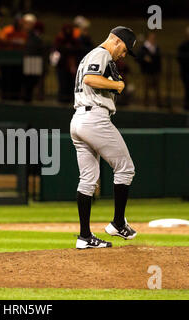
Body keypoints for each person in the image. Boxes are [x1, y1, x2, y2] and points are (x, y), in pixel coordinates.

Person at [70, 26, 138, 249]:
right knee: (125, 168)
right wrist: (116, 85)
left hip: (79, 119)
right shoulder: (101, 53)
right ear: (117, 41)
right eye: (125, 50)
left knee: (88, 179)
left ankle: (84, 237)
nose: (124, 55)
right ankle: (118, 223)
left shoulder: (90, 56)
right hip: (94, 119)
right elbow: (90, 79)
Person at [54, 24, 82, 103]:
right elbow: (58, 50)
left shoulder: (75, 41)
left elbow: (77, 50)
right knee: (62, 83)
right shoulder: (59, 40)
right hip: (62, 65)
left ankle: (70, 98)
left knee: (71, 83)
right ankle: (62, 98)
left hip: (71, 66)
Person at [137, 31, 162, 108]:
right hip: (146, 71)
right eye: (151, 37)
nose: (153, 39)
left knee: (157, 88)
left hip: (155, 70)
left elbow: (159, 60)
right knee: (145, 88)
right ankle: (145, 103)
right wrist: (144, 58)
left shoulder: (156, 47)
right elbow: (138, 58)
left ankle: (158, 104)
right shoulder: (143, 48)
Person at [22, 14, 43, 102]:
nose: (27, 25)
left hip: (31, 63)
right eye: (26, 23)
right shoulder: (19, 32)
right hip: (21, 63)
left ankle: (28, 99)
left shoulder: (35, 36)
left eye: (30, 23)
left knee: (30, 83)